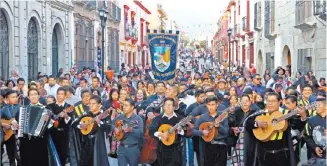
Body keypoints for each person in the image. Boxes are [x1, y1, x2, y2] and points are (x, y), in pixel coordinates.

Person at [247, 92, 307, 166]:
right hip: (264, 156)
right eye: (268, 101)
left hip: (283, 156)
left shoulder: (286, 114)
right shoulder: (260, 113)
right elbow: (248, 124)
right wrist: (257, 124)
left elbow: (296, 125)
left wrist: (303, 117)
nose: (270, 103)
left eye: (273, 101)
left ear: (279, 102)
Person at [19, 88, 59, 166]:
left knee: (40, 161)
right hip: (26, 140)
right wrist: (16, 125)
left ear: (38, 96)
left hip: (40, 141)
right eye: (31, 95)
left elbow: (52, 125)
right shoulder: (23, 109)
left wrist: (48, 122)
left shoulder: (46, 108)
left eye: (35, 94)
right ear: (28, 97)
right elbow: (18, 123)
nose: (33, 96)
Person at [192, 95, 229, 166]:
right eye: (209, 105)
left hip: (221, 146)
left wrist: (219, 126)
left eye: (213, 104)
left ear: (217, 104)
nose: (211, 107)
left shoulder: (222, 115)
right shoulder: (202, 117)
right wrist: (202, 132)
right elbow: (193, 131)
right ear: (206, 105)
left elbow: (226, 132)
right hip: (207, 147)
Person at [149, 97, 186, 166]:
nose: (168, 107)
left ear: (174, 107)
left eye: (170, 105)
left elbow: (187, 133)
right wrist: (160, 134)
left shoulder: (180, 119)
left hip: (176, 149)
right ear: (163, 107)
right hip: (161, 149)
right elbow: (151, 130)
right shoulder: (158, 119)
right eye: (166, 105)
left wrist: (181, 130)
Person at [75, 95, 111, 166]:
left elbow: (108, 127)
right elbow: (74, 123)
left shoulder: (105, 114)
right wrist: (81, 125)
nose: (91, 106)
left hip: (99, 143)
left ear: (99, 105)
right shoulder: (86, 114)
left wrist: (99, 122)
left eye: (93, 104)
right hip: (86, 143)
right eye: (90, 104)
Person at [113, 98, 144, 166]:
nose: (124, 107)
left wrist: (131, 130)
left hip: (133, 149)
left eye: (126, 105)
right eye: (123, 105)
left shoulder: (138, 119)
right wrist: (115, 129)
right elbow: (111, 124)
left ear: (132, 107)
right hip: (121, 148)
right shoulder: (120, 117)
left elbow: (141, 133)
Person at [47, 87, 72, 165]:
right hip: (52, 133)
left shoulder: (69, 107)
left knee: (62, 154)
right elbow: (46, 120)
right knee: (52, 154)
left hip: (64, 134)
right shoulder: (50, 106)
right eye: (58, 94)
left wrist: (66, 116)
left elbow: (70, 122)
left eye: (62, 94)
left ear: (65, 96)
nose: (60, 96)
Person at [1, 90, 20, 166]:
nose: (15, 98)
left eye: (16, 97)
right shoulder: (3, 108)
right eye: (13, 97)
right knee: (6, 155)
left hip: (14, 135)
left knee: (15, 156)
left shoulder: (20, 107)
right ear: (7, 99)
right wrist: (3, 124)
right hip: (4, 134)